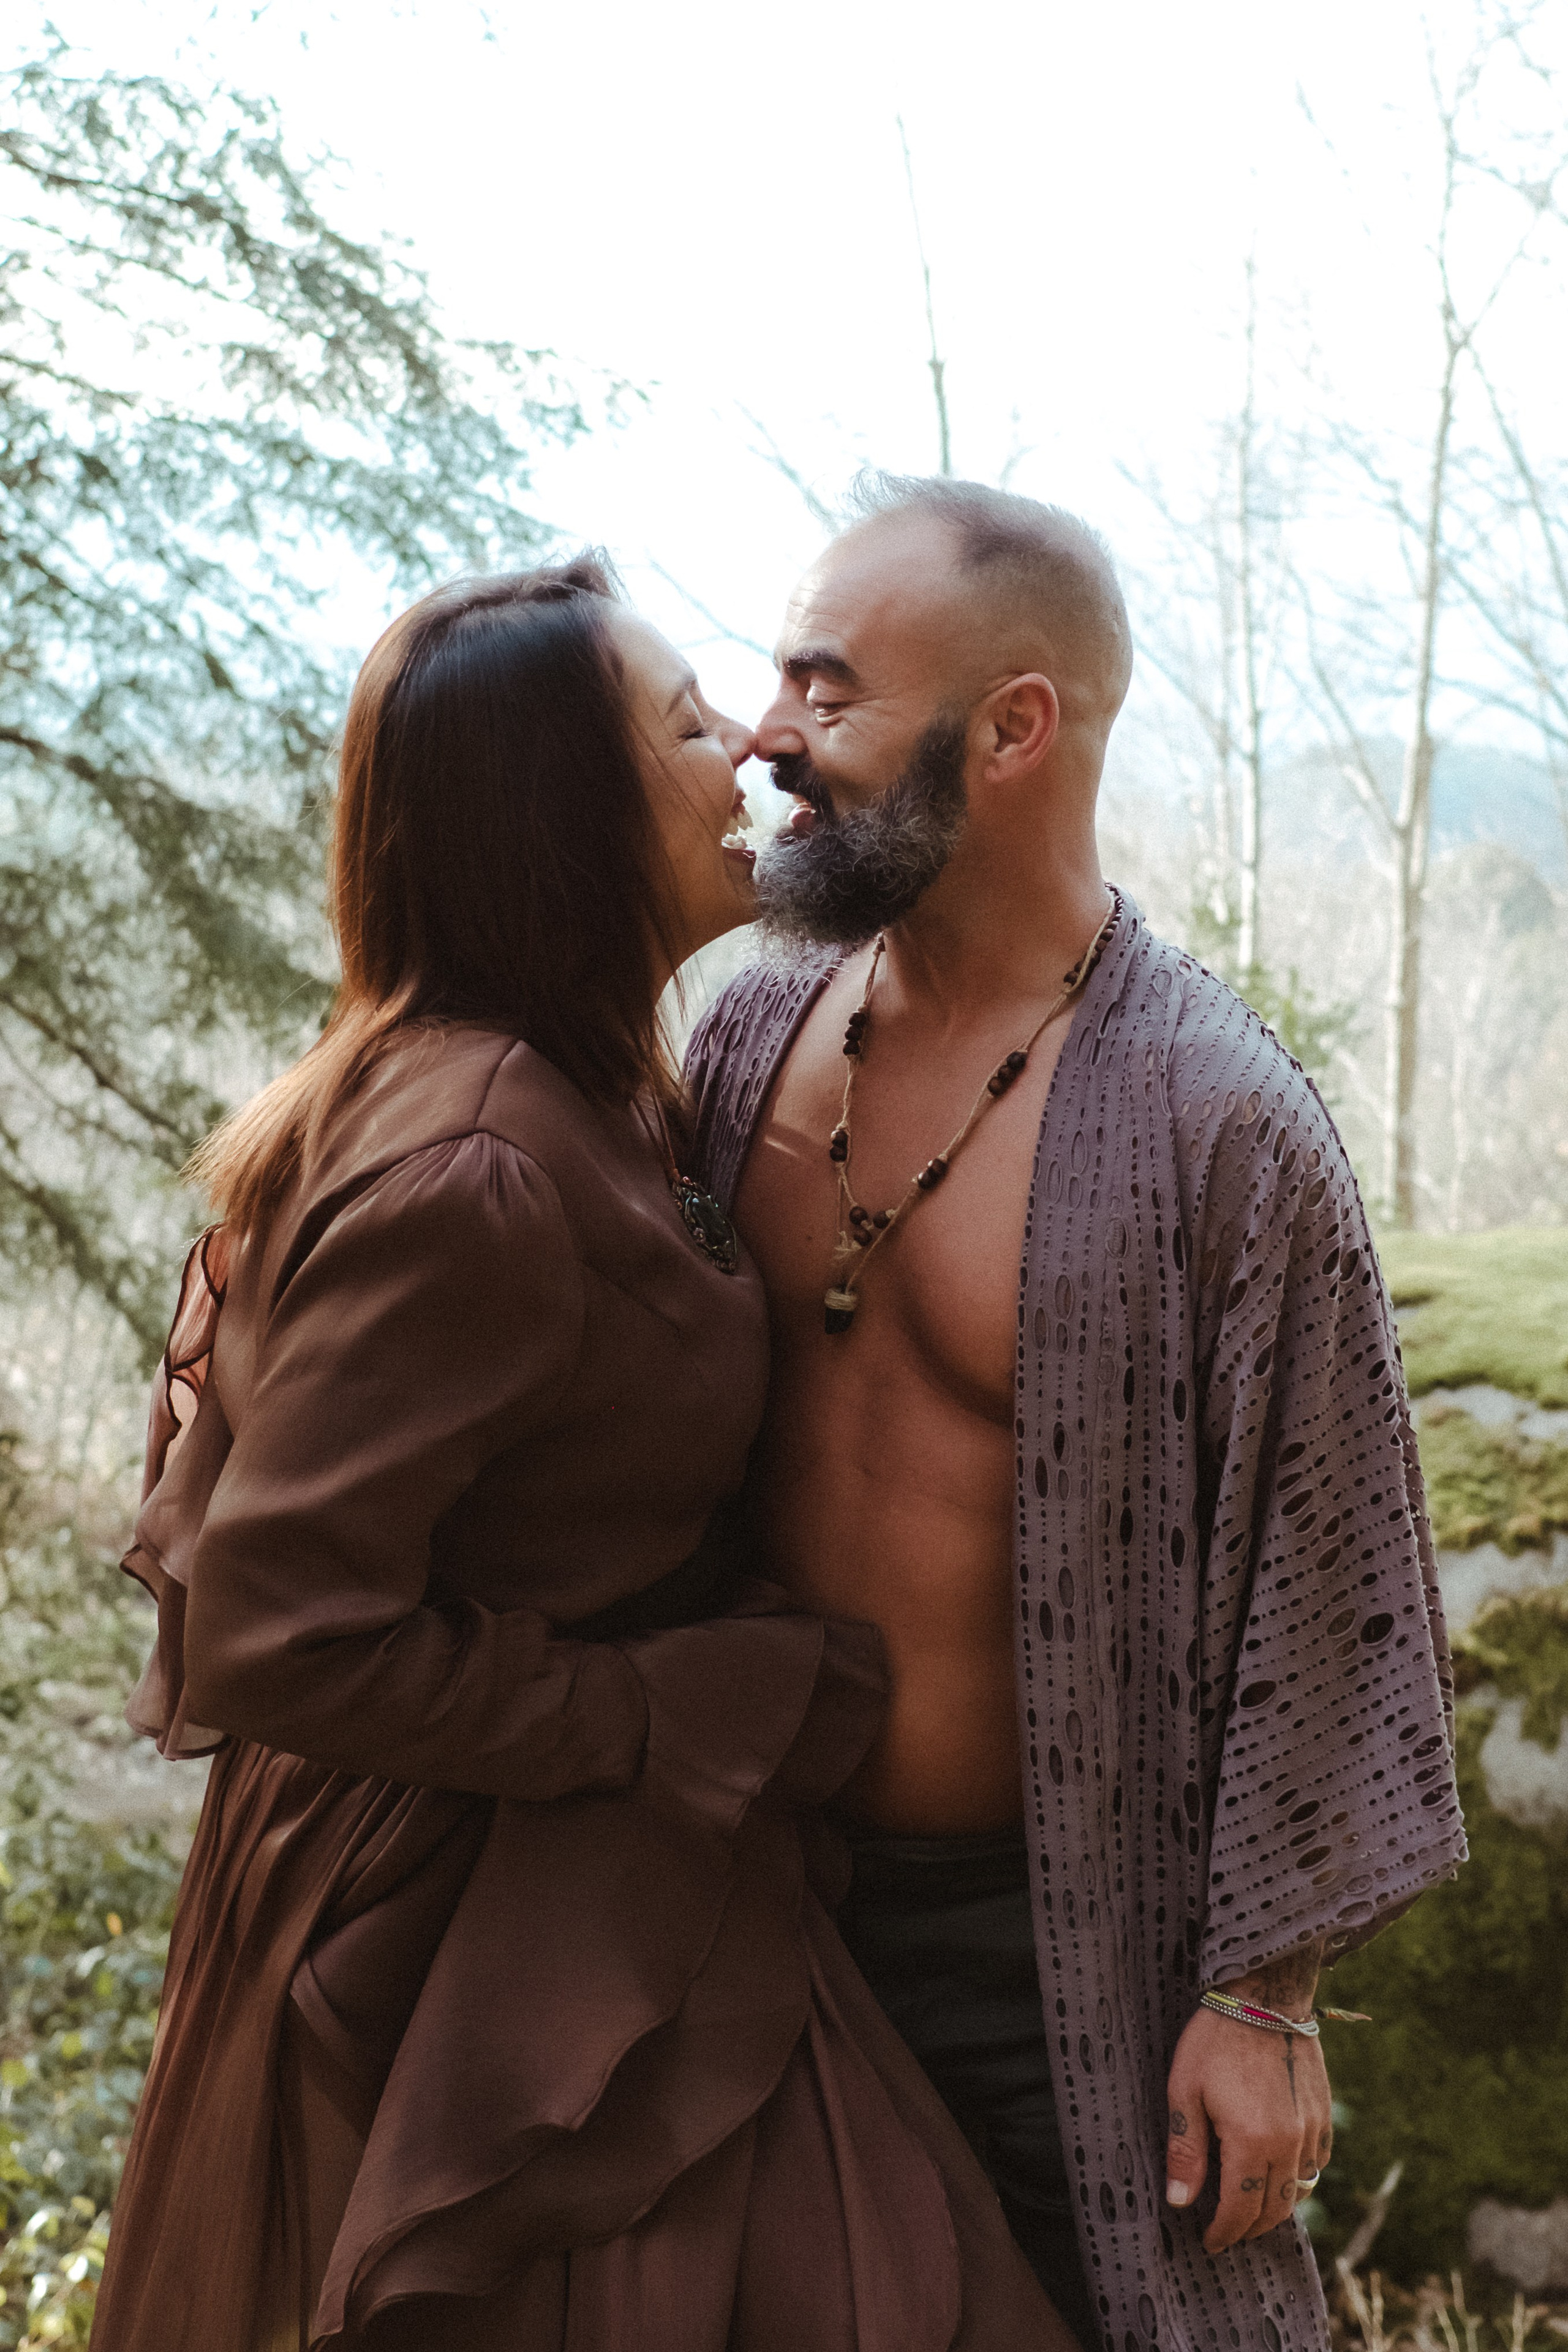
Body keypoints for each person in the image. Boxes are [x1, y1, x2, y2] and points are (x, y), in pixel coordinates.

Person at [92, 559, 1076, 2352]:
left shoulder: (596, 1084)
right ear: (568, 812)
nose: (750, 754)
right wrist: (646, 1720)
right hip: (454, 1946)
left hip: (608, 1875)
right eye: (688, 722)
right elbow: (273, 1629)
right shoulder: (475, 1165)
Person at [684, 476, 1466, 2352]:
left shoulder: (1216, 1123)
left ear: (1015, 727)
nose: (768, 737)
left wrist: (1262, 2000)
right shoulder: (746, 1033)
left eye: (830, 692)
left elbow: (1333, 1563)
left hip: (1051, 1957)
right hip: (734, 1902)